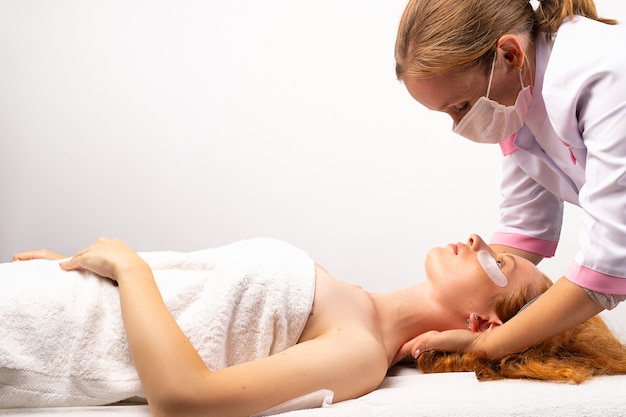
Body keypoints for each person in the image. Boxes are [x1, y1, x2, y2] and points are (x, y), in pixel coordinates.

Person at [2, 235, 625, 417]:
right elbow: (197, 293)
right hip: (50, 297)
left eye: (500, 263)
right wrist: (79, 268)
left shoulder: (359, 355)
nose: (477, 239)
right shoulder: (348, 296)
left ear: (483, 321)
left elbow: (184, 398)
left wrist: (129, 267)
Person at [393, 0, 626, 363]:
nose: (458, 126)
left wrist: (487, 345)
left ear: (509, 54)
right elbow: (523, 228)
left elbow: (610, 260)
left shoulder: (604, 75)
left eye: (461, 106)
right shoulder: (520, 103)